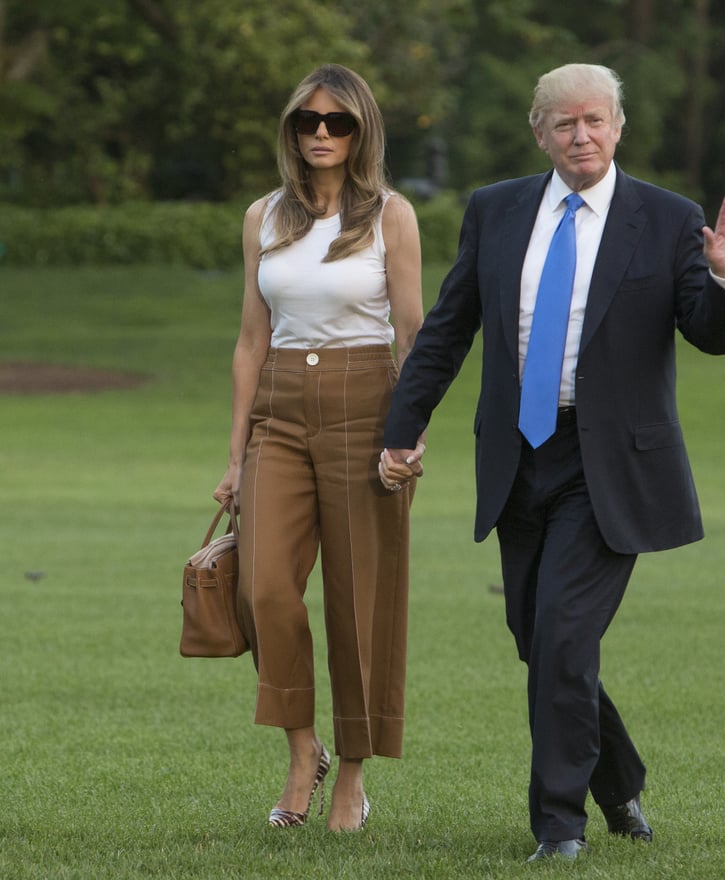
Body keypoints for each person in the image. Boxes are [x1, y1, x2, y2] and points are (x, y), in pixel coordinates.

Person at [379, 63, 725, 861]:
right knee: (538, 633)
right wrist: (402, 425)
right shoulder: (495, 210)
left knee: (560, 635)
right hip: (518, 457)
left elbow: (709, 332)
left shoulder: (666, 219)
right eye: (564, 123)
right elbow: (449, 328)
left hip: (610, 468)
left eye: (595, 120)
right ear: (539, 131)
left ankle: (559, 827)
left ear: (619, 126)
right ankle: (620, 779)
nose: (580, 134)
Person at [212, 63, 423, 833]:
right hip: (279, 410)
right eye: (309, 121)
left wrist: (411, 432)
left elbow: (413, 334)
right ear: (292, 130)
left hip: (367, 405)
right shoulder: (262, 216)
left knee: (359, 603)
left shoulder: (391, 216)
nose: (323, 134)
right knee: (261, 588)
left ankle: (352, 776)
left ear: (362, 130)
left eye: (339, 122)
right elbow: (248, 340)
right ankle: (304, 750)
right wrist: (235, 457)